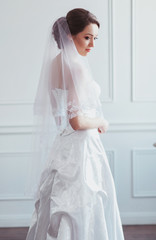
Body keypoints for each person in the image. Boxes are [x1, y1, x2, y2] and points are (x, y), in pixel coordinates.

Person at [26, 8, 125, 240]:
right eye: (87, 37)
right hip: (82, 147)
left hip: (62, 146)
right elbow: (76, 121)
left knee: (65, 205)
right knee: (85, 206)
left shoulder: (54, 64)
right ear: (70, 35)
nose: (91, 45)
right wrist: (101, 121)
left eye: (95, 38)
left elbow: (59, 116)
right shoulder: (77, 67)